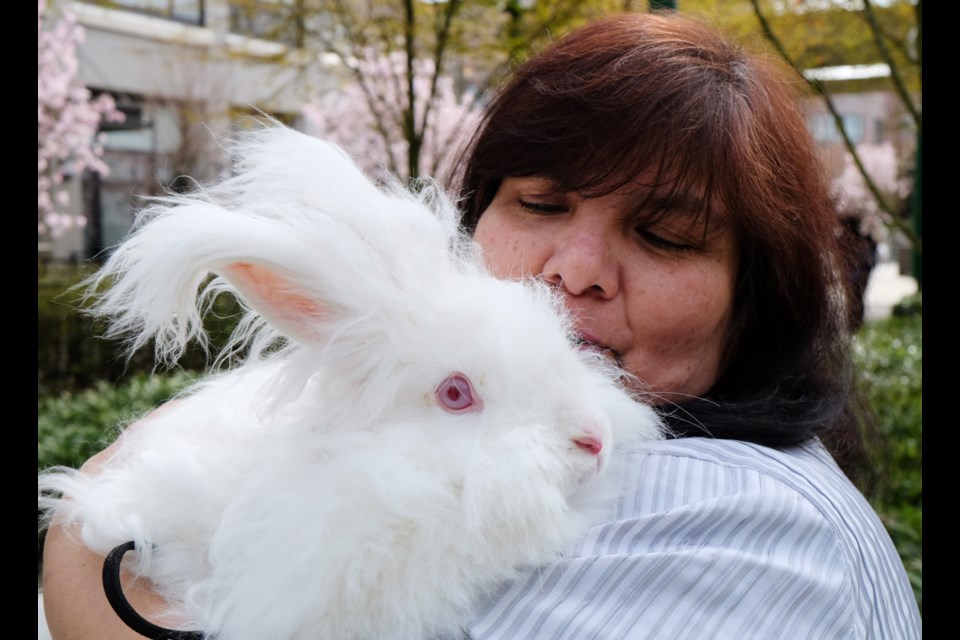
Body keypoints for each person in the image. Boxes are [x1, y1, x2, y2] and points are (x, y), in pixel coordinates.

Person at [41, 11, 920, 639]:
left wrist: (80, 558)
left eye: (665, 236)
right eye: (539, 202)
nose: (575, 269)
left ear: (756, 294)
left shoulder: (732, 519)